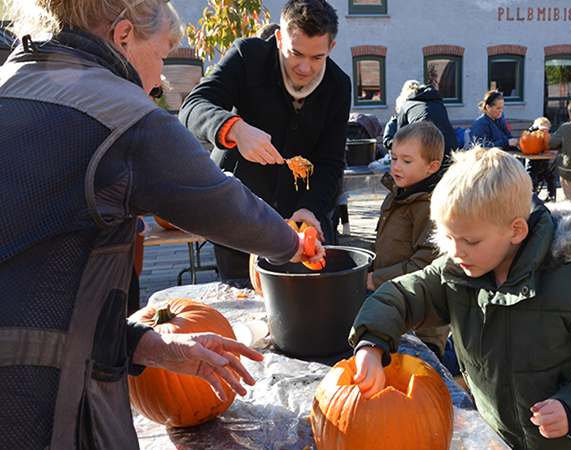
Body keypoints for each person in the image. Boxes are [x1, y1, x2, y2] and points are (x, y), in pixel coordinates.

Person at [0, 0, 325, 448]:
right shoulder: (120, 112)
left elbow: (40, 281)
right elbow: (218, 199)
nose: (158, 83)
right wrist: (293, 244)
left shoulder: (13, 80)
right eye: (163, 57)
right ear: (123, 35)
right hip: (40, 407)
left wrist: (147, 346)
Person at [348, 147, 571, 450]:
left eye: (471, 240)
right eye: (449, 237)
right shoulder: (458, 270)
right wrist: (371, 342)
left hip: (569, 441)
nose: (456, 251)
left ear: (516, 230)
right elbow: (399, 295)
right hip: (499, 437)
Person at [180, 0, 350, 280]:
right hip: (238, 215)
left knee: (301, 303)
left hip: (297, 221)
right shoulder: (248, 55)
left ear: (330, 49)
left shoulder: (339, 85)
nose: (306, 68)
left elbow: (329, 160)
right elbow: (194, 106)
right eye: (296, 53)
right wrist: (235, 129)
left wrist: (310, 207)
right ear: (280, 38)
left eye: (317, 57)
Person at [366, 121, 457, 375]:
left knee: (422, 369)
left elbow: (425, 264)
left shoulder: (431, 209)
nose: (396, 166)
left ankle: (461, 366)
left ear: (432, 167)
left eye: (407, 161)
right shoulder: (397, 194)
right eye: (393, 158)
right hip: (392, 305)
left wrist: (375, 279)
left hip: (421, 320)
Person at [388, 80, 458, 166]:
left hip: (426, 147)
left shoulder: (406, 106)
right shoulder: (437, 103)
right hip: (450, 147)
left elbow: (401, 140)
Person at [525, 117, 558, 203]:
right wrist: (535, 128)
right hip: (532, 168)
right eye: (541, 128)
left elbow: (552, 145)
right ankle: (533, 199)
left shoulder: (547, 139)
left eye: (545, 129)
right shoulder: (531, 135)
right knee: (532, 178)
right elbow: (526, 134)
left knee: (552, 178)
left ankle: (551, 198)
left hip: (544, 169)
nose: (543, 132)